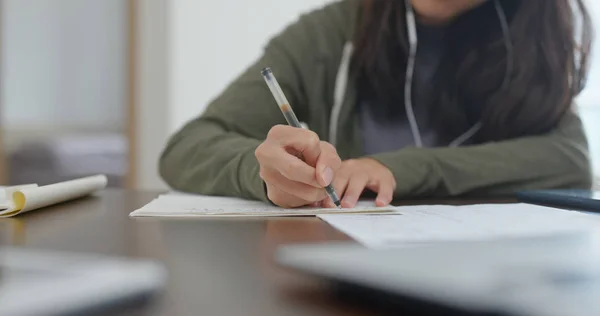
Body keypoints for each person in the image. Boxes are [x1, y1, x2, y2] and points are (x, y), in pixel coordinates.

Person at [159, 0, 594, 209]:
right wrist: (264, 174)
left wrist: (399, 170)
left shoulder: (529, 43)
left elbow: (570, 159)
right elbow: (187, 147)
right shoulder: (328, 36)